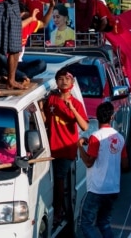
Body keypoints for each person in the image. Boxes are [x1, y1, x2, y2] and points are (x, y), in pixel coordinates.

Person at [42, 67, 89, 223]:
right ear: (56, 82)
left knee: (59, 179)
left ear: (72, 82)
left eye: (66, 79)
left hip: (66, 149)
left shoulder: (75, 103)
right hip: (50, 148)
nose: (63, 82)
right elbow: (45, 121)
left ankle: (59, 211)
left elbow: (85, 127)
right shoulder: (51, 100)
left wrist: (72, 109)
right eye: (60, 79)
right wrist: (39, 110)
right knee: (52, 182)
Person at [78, 102, 127, 238]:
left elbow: (88, 162)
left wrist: (80, 147)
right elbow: (125, 164)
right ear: (111, 117)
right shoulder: (120, 138)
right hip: (113, 189)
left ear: (97, 117)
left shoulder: (95, 137)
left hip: (97, 189)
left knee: (86, 223)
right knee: (104, 222)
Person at [0, 3, 49, 83]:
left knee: (42, 64)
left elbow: (44, 23)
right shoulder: (6, 24)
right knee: (1, 57)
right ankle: (21, 76)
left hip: (18, 64)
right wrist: (31, 18)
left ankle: (16, 77)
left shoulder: (28, 25)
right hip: (6, 64)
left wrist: (51, 8)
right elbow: (16, 26)